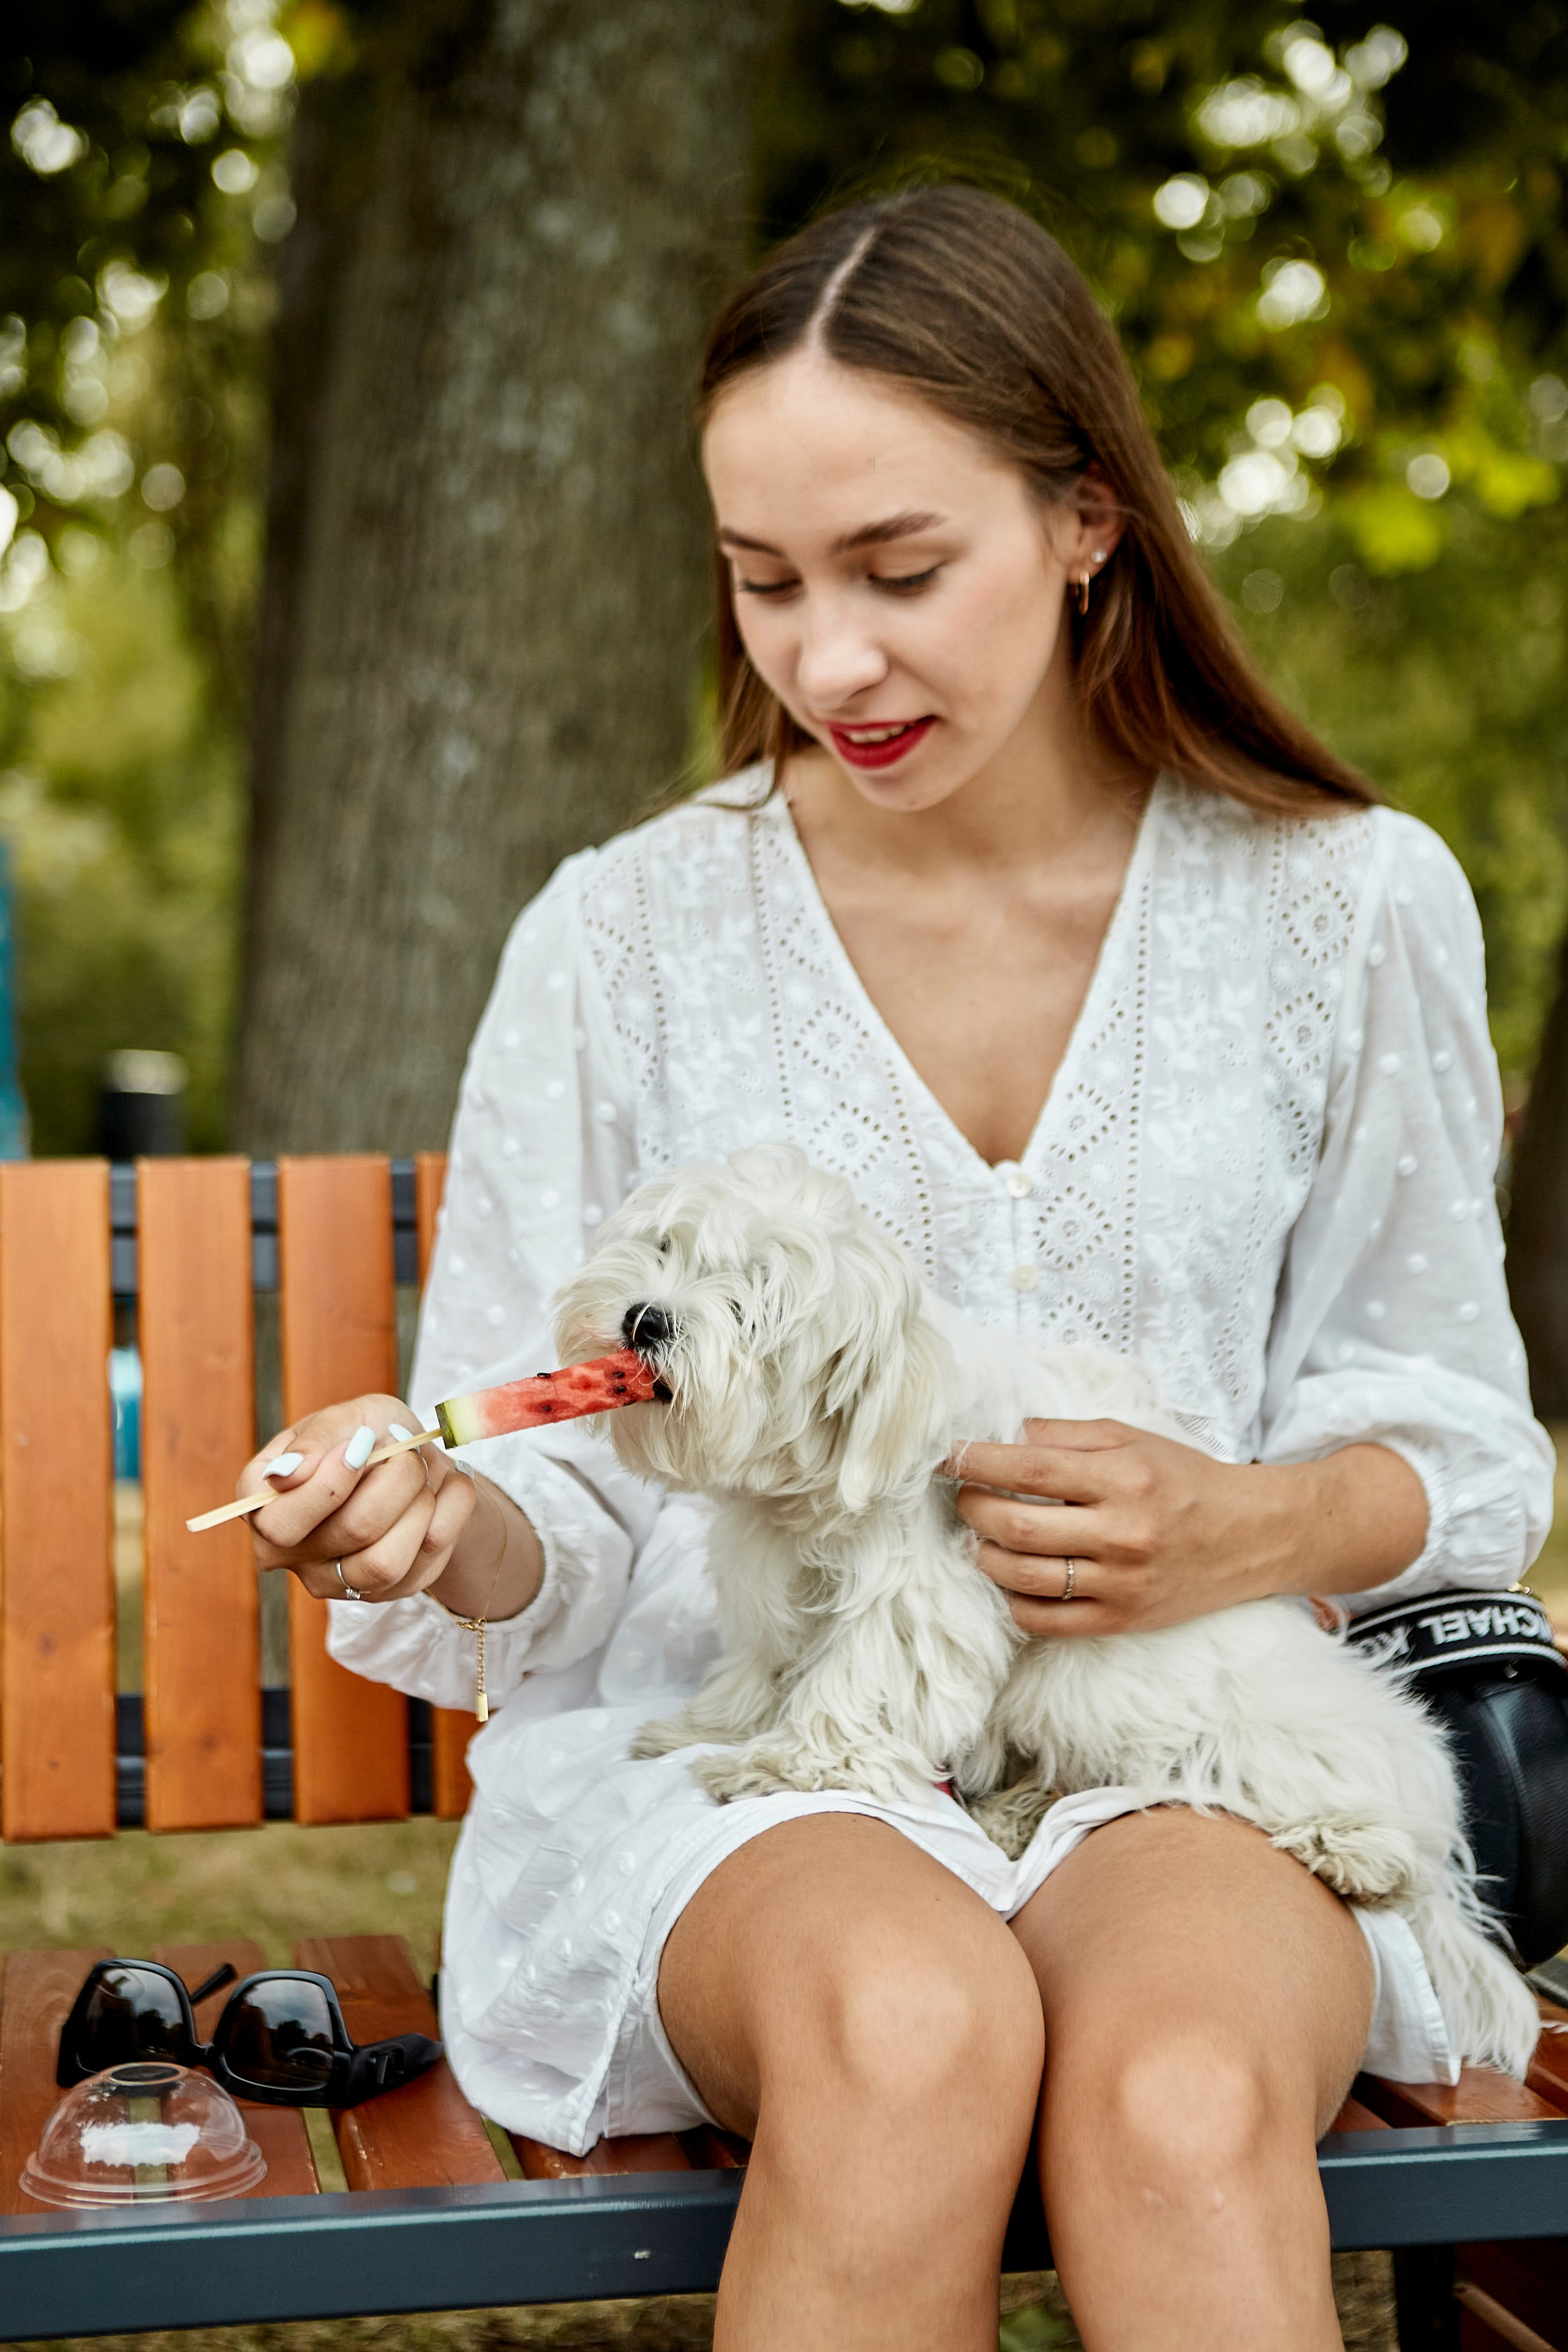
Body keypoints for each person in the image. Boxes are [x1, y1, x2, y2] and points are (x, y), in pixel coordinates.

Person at [242, 186, 1553, 2351]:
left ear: (1088, 521)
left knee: (1185, 2085)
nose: (824, 660)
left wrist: (1249, 1519)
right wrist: (437, 1514)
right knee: (912, 2033)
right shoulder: (621, 937)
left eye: (898, 570)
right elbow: (549, 1502)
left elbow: (1449, 1429)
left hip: (1171, 1742)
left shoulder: (1350, 906)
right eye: (763, 581)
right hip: (738, 1751)